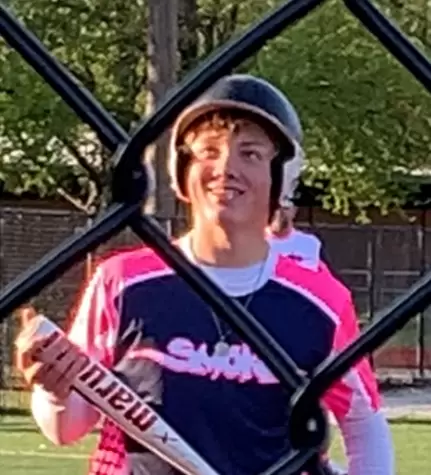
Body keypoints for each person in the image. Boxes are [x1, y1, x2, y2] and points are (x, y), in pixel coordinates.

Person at [16, 74, 394, 475]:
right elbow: (65, 427)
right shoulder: (123, 282)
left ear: (281, 177)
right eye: (208, 151)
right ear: (182, 170)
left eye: (250, 154)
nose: (226, 168)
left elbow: (363, 423)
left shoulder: (320, 301)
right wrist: (54, 390)